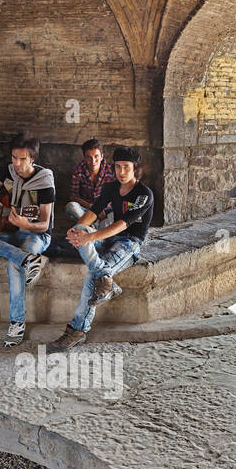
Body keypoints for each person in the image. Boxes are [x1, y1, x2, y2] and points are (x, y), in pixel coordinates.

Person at [55, 146, 153, 346]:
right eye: (117, 167)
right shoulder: (111, 187)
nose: (121, 172)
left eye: (126, 167)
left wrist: (89, 238)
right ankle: (107, 280)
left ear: (135, 168)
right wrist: (78, 229)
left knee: (92, 276)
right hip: (108, 239)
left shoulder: (144, 194)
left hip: (129, 244)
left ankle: (78, 329)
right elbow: (94, 211)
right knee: (81, 232)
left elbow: (123, 224)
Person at [0, 135, 56, 345]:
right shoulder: (8, 171)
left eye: (22, 159)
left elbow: (44, 224)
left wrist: (25, 224)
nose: (17, 164)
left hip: (35, 234)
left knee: (14, 264)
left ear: (33, 159)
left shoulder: (45, 182)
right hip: (9, 229)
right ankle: (29, 259)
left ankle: (17, 322)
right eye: (14, 158)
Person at [55, 138, 114, 266]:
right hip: (86, 210)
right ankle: (91, 230)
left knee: (114, 217)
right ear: (84, 157)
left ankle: (89, 231)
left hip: (105, 212)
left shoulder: (111, 172)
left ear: (102, 156)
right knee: (71, 207)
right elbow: (73, 196)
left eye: (96, 157)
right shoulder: (79, 170)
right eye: (89, 157)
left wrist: (102, 210)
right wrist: (93, 208)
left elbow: (115, 197)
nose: (93, 161)